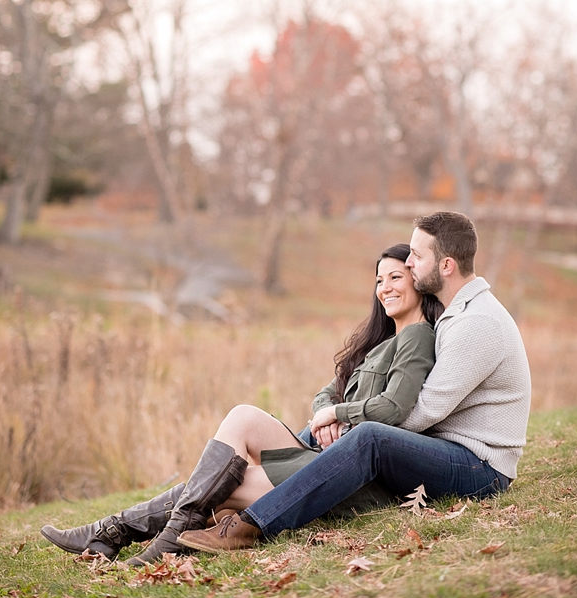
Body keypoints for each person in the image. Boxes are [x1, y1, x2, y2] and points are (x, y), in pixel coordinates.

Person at [40, 242, 441, 565]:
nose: (385, 286)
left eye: (395, 277)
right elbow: (329, 391)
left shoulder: (417, 338)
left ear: (418, 283)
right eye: (379, 279)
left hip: (348, 478)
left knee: (223, 484)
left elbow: (395, 407)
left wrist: (338, 413)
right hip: (323, 454)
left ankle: (128, 534)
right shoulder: (382, 341)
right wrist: (326, 412)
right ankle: (127, 534)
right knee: (242, 417)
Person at [177, 209, 533, 552]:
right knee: (315, 434)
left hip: (480, 468)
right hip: (448, 451)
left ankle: (252, 524)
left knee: (368, 437)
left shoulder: (477, 323)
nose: (408, 264)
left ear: (446, 266)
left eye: (417, 257)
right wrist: (333, 418)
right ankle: (186, 512)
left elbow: (423, 412)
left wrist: (345, 419)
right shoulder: (455, 314)